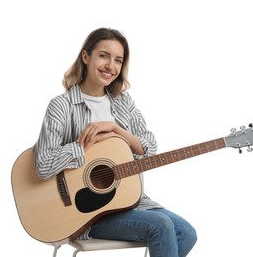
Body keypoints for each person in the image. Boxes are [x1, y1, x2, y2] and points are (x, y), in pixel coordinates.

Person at [34, 27, 197, 256]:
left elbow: (148, 148)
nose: (111, 66)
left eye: (118, 60)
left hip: (129, 202)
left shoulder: (123, 102)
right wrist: (83, 147)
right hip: (85, 214)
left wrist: (116, 130)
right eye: (104, 56)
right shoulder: (61, 106)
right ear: (85, 56)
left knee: (186, 232)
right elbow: (42, 165)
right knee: (160, 225)